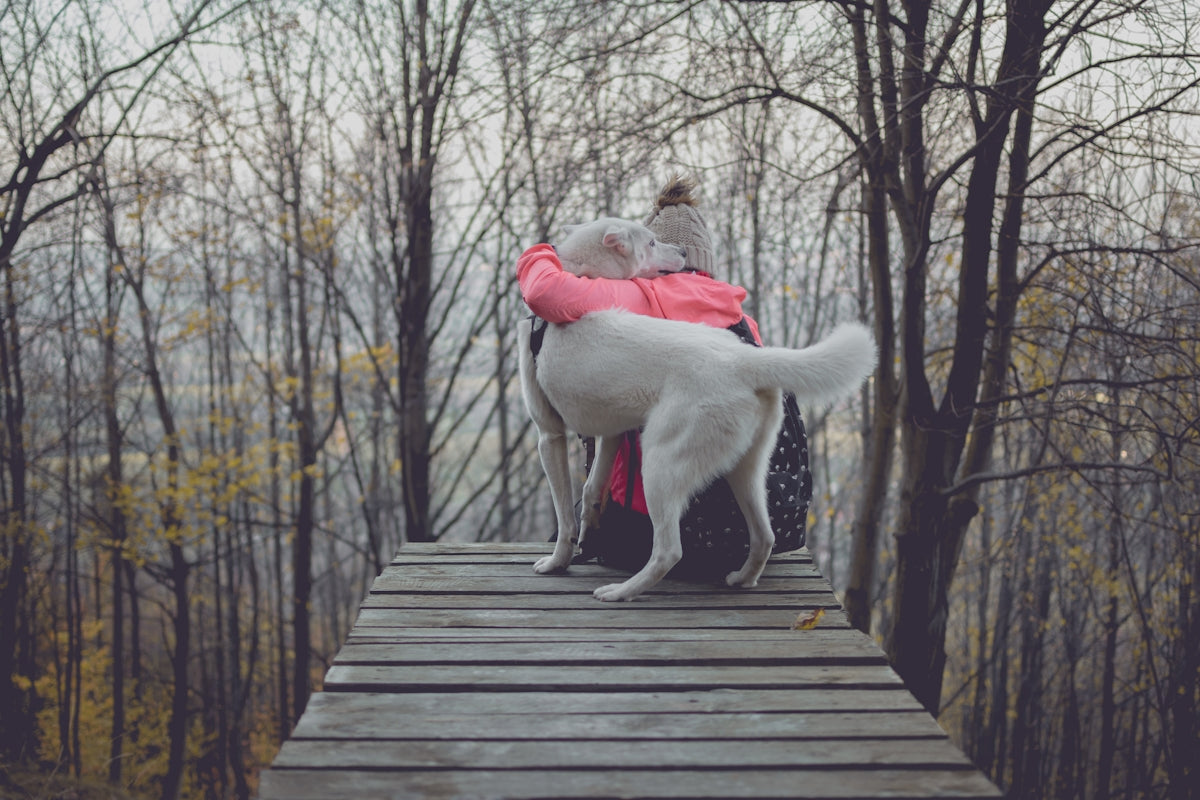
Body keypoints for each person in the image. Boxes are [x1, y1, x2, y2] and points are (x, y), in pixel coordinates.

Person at [517, 175, 811, 579]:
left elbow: (548, 295)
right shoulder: (739, 316)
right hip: (739, 532)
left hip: (638, 539)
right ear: (707, 264)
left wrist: (541, 254)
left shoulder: (640, 297)